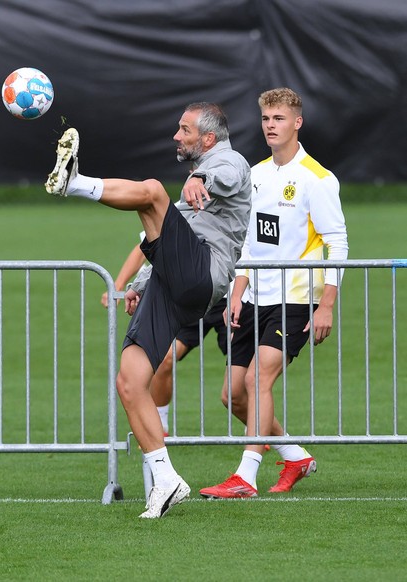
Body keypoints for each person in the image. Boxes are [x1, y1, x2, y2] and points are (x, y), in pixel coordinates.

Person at [46, 102, 251, 518]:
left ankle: (75, 184)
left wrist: (199, 177)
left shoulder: (228, 161)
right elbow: (163, 240)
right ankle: (166, 478)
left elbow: (225, 176)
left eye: (185, 130)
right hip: (174, 284)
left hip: (203, 276)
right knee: (130, 380)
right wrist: (138, 285)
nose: (177, 136)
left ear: (208, 139)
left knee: (154, 193)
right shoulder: (200, 173)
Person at [200, 87, 348, 499]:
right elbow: (250, 241)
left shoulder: (317, 179)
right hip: (254, 298)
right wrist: (237, 290)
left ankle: (245, 477)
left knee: (257, 379)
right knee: (232, 395)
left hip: (298, 296)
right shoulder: (256, 174)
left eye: (279, 118)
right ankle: (294, 455)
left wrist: (327, 305)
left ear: (297, 123)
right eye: (266, 118)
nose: (271, 125)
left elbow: (338, 242)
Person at [101, 238, 230, 437]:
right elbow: (144, 247)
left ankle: (256, 429)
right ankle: (160, 427)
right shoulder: (181, 211)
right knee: (164, 358)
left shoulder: (235, 209)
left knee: (244, 369)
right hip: (192, 298)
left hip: (231, 298)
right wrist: (117, 285)